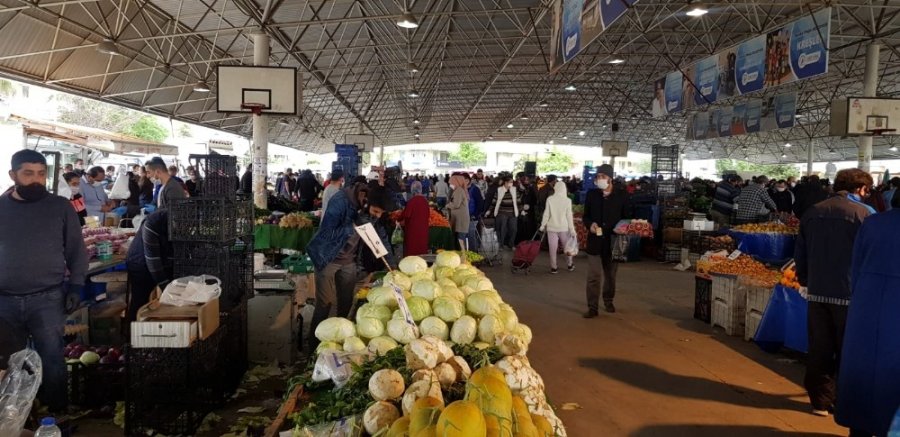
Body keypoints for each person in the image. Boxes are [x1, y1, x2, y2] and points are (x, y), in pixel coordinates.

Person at [0, 150, 88, 412]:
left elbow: (76, 249)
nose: (36, 179)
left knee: (52, 359)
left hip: (48, 298)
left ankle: (58, 414)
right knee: (11, 364)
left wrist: (76, 285)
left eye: (41, 173)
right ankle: (18, 417)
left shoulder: (60, 207)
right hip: (4, 301)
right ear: (13, 175)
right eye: (28, 173)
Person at [794, 168, 875, 418]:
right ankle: (843, 402)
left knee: (819, 347)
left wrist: (805, 281)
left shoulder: (813, 211)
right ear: (861, 189)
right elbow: (871, 254)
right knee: (848, 350)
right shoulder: (865, 214)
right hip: (851, 294)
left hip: (817, 292)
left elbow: (800, 252)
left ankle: (820, 402)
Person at [834, 204, 900, 437]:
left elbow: (855, 268)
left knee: (861, 367)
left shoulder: (873, 223)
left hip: (866, 306)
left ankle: (858, 428)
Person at [306, 183, 392, 351]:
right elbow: (327, 232)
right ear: (366, 202)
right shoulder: (340, 201)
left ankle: (339, 344)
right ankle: (313, 348)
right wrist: (353, 226)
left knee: (346, 303)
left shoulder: (373, 213)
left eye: (381, 213)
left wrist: (392, 266)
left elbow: (380, 238)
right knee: (325, 303)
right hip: (327, 257)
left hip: (349, 261)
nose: (378, 216)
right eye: (376, 211)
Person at [582, 164, 626, 318]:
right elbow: (586, 216)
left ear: (610, 178)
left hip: (613, 242)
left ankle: (608, 300)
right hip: (595, 241)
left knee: (611, 275)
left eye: (603, 176)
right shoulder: (592, 195)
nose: (599, 179)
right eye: (598, 176)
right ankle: (592, 307)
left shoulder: (621, 195)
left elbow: (627, 217)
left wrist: (622, 228)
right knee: (593, 276)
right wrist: (590, 225)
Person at [125, 210, 173, 322]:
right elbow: (153, 261)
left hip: (161, 258)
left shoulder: (183, 223)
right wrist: (166, 288)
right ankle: (132, 330)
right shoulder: (153, 223)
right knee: (140, 301)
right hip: (139, 263)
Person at [540, 180, 576, 274]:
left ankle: (554, 267)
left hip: (551, 228)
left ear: (555, 188)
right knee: (567, 248)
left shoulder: (550, 199)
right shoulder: (568, 201)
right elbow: (569, 216)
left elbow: (546, 214)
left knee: (552, 249)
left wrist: (543, 225)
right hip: (564, 228)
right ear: (564, 189)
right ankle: (570, 264)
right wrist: (572, 229)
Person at [487, 175, 521, 250]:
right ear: (505, 182)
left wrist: (521, 210)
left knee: (513, 229)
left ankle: (511, 244)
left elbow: (518, 201)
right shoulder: (499, 190)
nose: (511, 184)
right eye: (510, 182)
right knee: (502, 229)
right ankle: (501, 244)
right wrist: (489, 210)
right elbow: (494, 201)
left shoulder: (514, 190)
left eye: (512, 182)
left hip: (513, 213)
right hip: (502, 212)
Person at [399, 192, 429, 257]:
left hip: (413, 230)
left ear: (413, 192)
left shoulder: (412, 201)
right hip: (423, 229)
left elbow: (406, 215)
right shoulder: (425, 201)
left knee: (412, 249)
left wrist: (399, 219)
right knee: (422, 247)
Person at [446, 174, 470, 251]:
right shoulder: (458, 190)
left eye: (452, 183)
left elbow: (456, 204)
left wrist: (447, 205)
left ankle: (462, 256)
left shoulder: (459, 190)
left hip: (461, 220)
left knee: (460, 241)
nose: (450, 184)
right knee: (458, 240)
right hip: (459, 219)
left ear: (457, 182)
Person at [464, 173, 484, 252]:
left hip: (472, 216)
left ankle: (474, 253)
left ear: (468, 180)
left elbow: (480, 203)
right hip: (465, 216)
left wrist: (475, 214)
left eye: (464, 180)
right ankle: (469, 252)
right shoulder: (463, 189)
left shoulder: (474, 189)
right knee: (467, 235)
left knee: (471, 235)